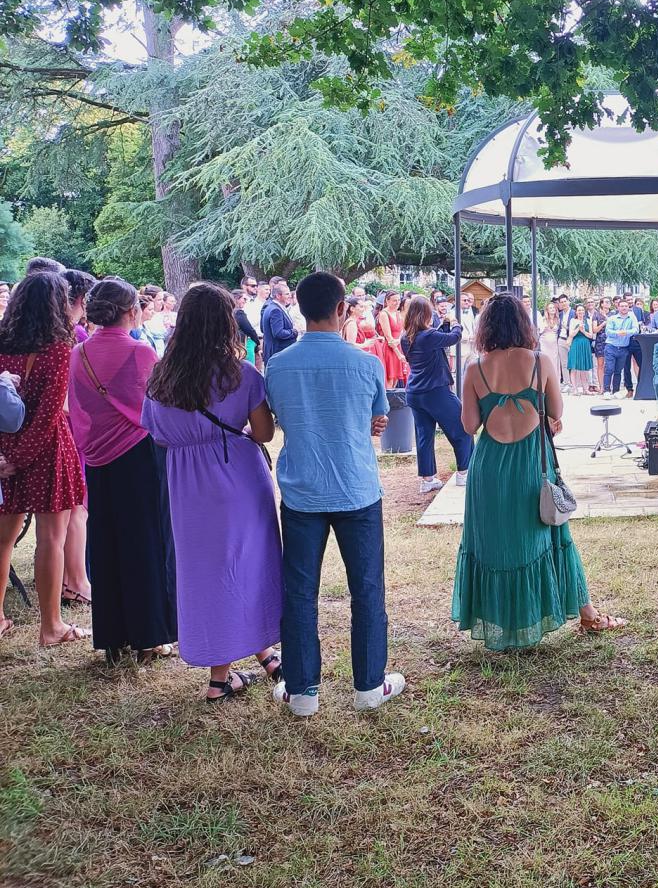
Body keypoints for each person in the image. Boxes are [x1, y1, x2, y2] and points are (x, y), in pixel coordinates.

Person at [266, 273, 404, 717]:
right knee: (367, 590)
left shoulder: (278, 366)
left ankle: (302, 690)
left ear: (299, 309)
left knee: (300, 592)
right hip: (356, 489)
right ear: (342, 308)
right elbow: (375, 418)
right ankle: (368, 684)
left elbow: (278, 421)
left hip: (302, 492)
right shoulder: (365, 364)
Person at [453, 293, 626, 648]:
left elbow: (469, 426)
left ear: (485, 327)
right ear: (523, 323)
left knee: (494, 542)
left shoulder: (474, 368)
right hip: (533, 463)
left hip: (490, 468)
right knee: (552, 535)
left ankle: (504, 623)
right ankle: (588, 615)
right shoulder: (540, 361)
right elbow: (556, 411)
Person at [143, 283, 283, 701]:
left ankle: (247, 661)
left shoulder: (160, 376)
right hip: (237, 477)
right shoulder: (241, 375)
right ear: (226, 323)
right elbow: (263, 432)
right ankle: (231, 673)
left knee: (205, 573)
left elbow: (156, 433)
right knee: (248, 566)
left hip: (186, 483)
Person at [68, 277, 177, 664]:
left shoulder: (78, 352)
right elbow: (159, 404)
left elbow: (78, 409)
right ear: (130, 310)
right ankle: (149, 636)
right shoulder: (140, 352)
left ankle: (112, 638)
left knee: (106, 543)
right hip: (137, 453)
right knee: (145, 544)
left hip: (97, 457)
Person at [0, 273, 88, 644]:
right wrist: (20, 457)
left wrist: (8, 457)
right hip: (47, 449)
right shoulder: (57, 346)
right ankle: (51, 626)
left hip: (4, 449)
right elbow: (51, 411)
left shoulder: (3, 342)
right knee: (51, 539)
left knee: (3, 539)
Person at [400, 296, 474, 494]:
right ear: (426, 313)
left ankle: (427, 479)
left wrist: (445, 323)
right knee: (463, 428)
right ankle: (464, 473)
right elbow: (454, 337)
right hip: (436, 391)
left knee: (424, 436)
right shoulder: (428, 336)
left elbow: (437, 337)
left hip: (415, 393)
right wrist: (456, 322)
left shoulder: (406, 337)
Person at [373, 289, 408, 388]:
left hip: (398, 347)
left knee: (396, 379)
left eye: (398, 300)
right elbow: (388, 338)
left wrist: (400, 343)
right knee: (389, 380)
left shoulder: (398, 313)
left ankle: (393, 403)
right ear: (387, 301)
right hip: (389, 349)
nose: (397, 303)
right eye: (394, 300)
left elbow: (402, 331)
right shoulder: (384, 314)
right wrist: (399, 354)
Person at [261, 279, 299, 360]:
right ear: (278, 296)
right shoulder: (276, 310)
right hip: (279, 353)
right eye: (287, 294)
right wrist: (295, 331)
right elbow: (279, 333)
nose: (290, 296)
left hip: (276, 352)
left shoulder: (272, 307)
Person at [566, 302, 596, 394]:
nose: (581, 312)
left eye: (582, 310)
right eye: (579, 310)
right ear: (576, 312)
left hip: (585, 343)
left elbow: (591, 335)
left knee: (584, 367)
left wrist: (583, 331)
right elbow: (571, 334)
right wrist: (578, 329)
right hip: (575, 343)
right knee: (574, 366)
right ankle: (575, 389)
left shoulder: (588, 320)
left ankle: (585, 389)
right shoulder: (572, 321)